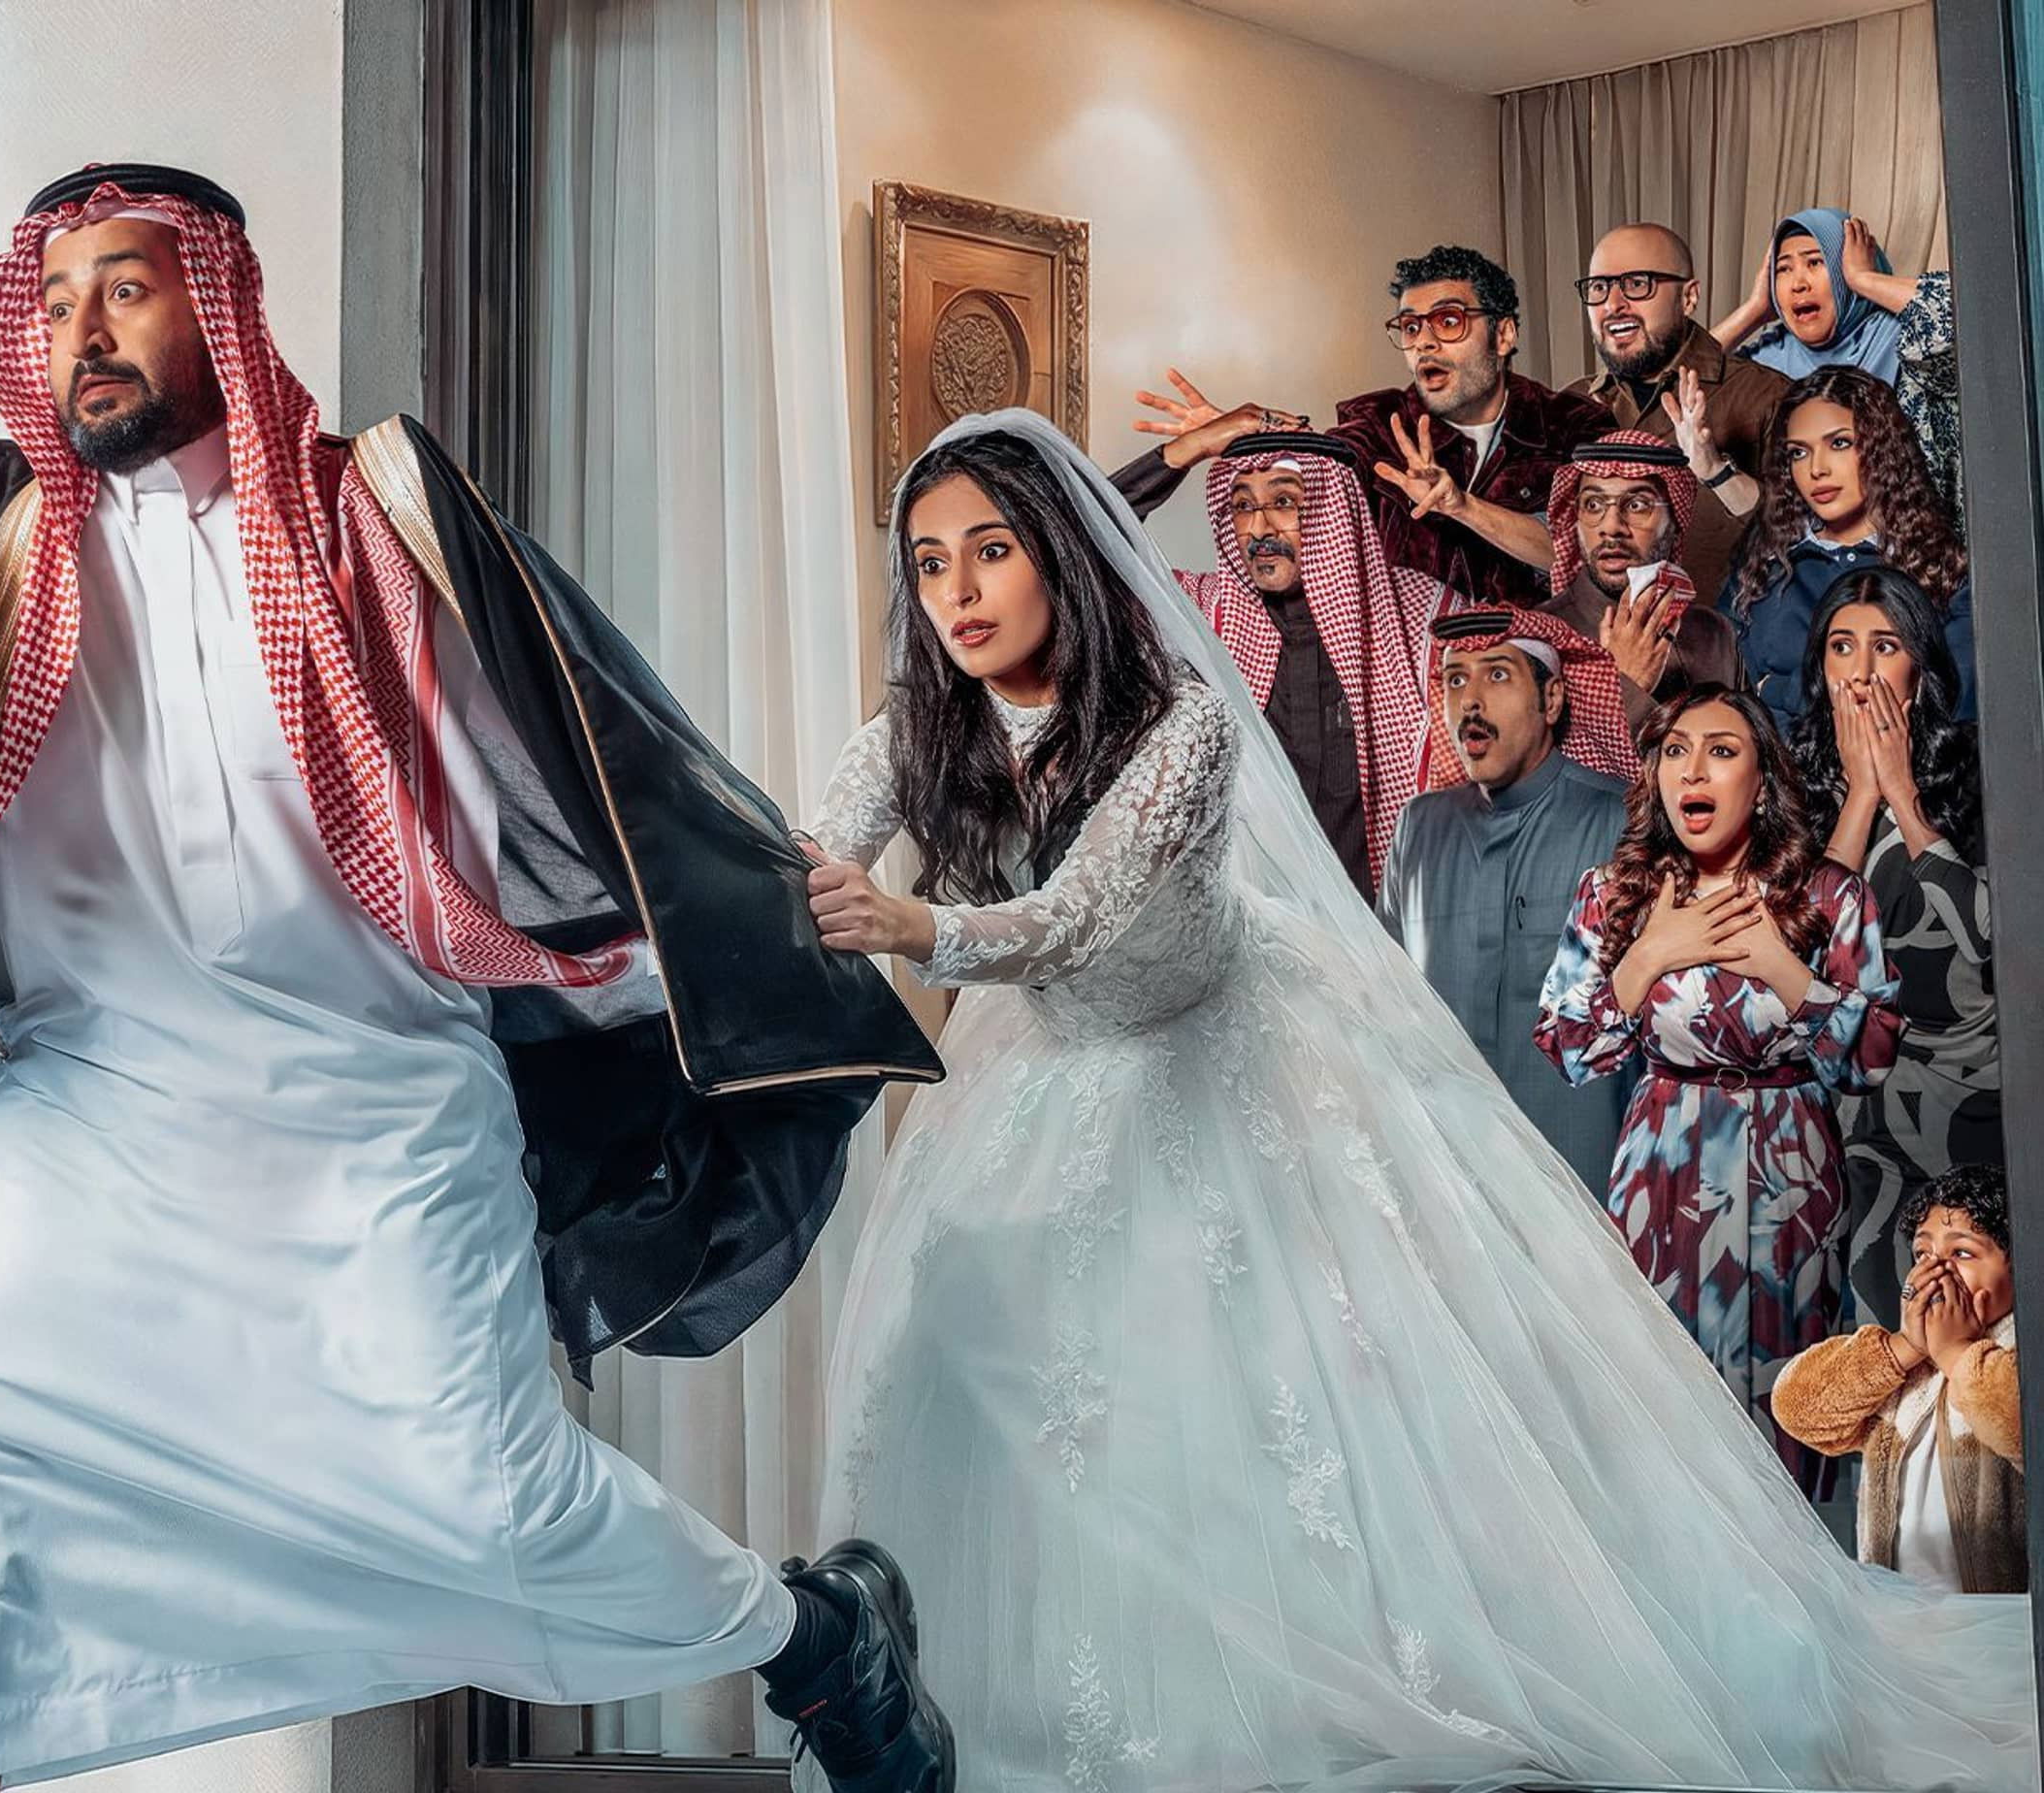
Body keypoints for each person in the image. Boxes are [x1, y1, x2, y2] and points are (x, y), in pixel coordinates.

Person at [0, 163, 955, 1793]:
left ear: (217, 303)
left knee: (493, 1502)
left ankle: (811, 1640)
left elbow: (584, 754)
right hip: (92, 1091)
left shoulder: (377, 518)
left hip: (379, 1088)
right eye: (55, 301)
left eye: (126, 288)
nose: (83, 329)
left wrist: (715, 932)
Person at [801, 408, 2029, 1792]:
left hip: (1220, 1058)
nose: (958, 592)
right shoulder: (916, 731)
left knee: (1323, 1399)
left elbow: (1076, 918)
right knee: (1001, 1368)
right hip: (1034, 1079)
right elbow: (803, 854)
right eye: (929, 563)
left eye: (991, 551)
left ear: (1059, 556)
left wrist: (910, 928)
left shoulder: (1178, 720)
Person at [1536, 687, 1903, 1496]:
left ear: (1761, 780)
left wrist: (1782, 969)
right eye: (1675, 751)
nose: (1692, 770)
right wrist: (1649, 955)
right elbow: (1566, 1047)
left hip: (1791, 1166)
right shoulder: (1613, 895)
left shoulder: (1829, 896)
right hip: (1664, 1159)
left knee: (1786, 1403)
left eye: (1721, 751)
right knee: (1661, 1394)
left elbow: (1872, 1058)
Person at [1125, 245, 1614, 612]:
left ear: (1503, 334)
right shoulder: (1377, 425)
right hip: (1414, 692)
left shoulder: (1573, 426)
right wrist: (1250, 445)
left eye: (1448, 321)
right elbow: (1323, 464)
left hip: (1542, 686)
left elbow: (1593, 556)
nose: (1424, 343)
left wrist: (1461, 506)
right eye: (1410, 327)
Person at [1791, 567, 2001, 1330]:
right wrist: (1858, 796)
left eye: (1883, 647)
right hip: (1860, 1113)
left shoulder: (1978, 770)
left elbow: (1990, 942)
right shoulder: (1795, 786)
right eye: (1840, 646)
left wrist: (1903, 795)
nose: (1859, 671)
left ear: (1919, 665)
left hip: (1979, 1101)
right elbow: (1799, 952)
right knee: (1883, 1325)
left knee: (1978, 1331)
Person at [1379, 609, 1635, 1193]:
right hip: (1450, 1183)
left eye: (1497, 675)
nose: (1470, 700)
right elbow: (1383, 1002)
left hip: (1580, 1184)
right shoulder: (1418, 830)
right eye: (1455, 679)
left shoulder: (1620, 823)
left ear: (1552, 700)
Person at [1154, 431, 1458, 896]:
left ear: (1332, 510)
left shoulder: (1418, 613)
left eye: (1283, 502)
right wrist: (1187, 450)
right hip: (1254, 921)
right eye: (1242, 506)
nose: (1259, 529)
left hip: (1384, 917)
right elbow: (1073, 550)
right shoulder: (1207, 613)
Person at [1775, 1166, 2024, 1594]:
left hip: (1999, 1613)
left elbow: (2023, 1428)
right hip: (1900, 1609)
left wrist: (1957, 1352)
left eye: (1962, 1253)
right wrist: (1906, 1346)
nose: (1937, 1271)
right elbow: (1797, 1407)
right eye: (1923, 1254)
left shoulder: (2020, 1352)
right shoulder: (1902, 1369)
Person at [1731, 369, 1977, 734]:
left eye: (1840, 443)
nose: (1816, 469)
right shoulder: (1763, 569)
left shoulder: (1943, 569)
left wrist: (1783, 689)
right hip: (1780, 768)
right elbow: (1732, 705)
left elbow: (1950, 704)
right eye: (1799, 452)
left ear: (1883, 449)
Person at [1565, 222, 1793, 592]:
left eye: (1637, 284)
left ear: (1688, 298)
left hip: (1722, 626)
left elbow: (1807, 540)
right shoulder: (1571, 404)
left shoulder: (1767, 396)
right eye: (1599, 287)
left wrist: (1717, 473)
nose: (1612, 304)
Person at [1714, 207, 1965, 524]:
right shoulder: (1768, 359)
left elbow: (1972, 319)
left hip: (1918, 539)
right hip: (1807, 548)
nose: (1798, 284)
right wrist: (1752, 311)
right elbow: (1676, 385)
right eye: (1783, 269)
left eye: (1815, 262)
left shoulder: (1905, 336)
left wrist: (1865, 279)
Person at [1541, 432, 1744, 732]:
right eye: (1593, 505)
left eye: (1637, 505)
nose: (1611, 527)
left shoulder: (1714, 632)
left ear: (1674, 521)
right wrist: (1625, 684)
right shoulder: (1540, 636)